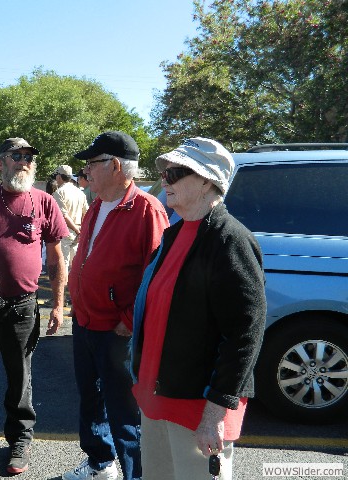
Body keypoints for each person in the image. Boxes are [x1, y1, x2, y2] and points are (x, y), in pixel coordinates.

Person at [129, 137, 266, 480]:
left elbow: (245, 332)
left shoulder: (230, 240)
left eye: (174, 173)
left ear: (206, 181)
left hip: (198, 409)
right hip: (158, 399)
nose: (165, 179)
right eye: (164, 172)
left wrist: (216, 413)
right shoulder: (175, 235)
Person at [0, 137, 68, 475]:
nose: (24, 162)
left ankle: (19, 441)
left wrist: (59, 305)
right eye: (16, 156)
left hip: (22, 307)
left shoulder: (45, 202)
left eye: (29, 158)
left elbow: (56, 258)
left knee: (20, 379)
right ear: (0, 163)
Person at [63, 131, 168, 480]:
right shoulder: (96, 204)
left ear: (116, 166)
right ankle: (99, 463)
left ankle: (136, 474)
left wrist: (128, 320)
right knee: (90, 401)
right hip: (84, 322)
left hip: (117, 330)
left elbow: (155, 275)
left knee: (125, 413)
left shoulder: (146, 210)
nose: (86, 171)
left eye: (92, 163)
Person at [52, 164, 88, 270]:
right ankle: (73, 286)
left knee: (63, 264)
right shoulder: (79, 192)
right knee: (75, 264)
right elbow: (86, 212)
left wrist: (76, 230)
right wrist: (81, 230)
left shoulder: (59, 193)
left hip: (66, 231)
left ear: (59, 176)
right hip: (79, 230)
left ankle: (63, 286)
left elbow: (63, 215)